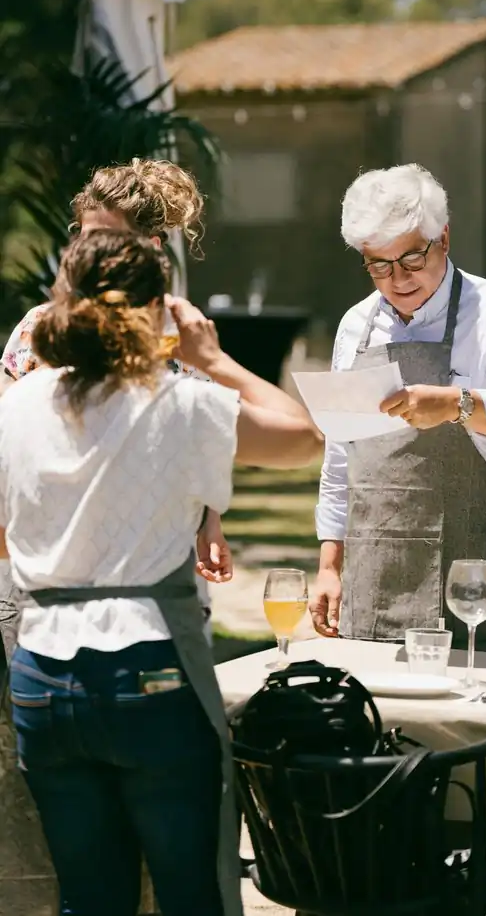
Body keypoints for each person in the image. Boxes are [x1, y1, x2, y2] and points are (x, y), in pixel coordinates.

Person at [0, 229, 323, 916]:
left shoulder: (18, 405)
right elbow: (304, 438)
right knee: (190, 891)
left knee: (90, 899)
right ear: (158, 309)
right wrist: (216, 358)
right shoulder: (180, 403)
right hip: (150, 667)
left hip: (41, 673)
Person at [310, 164, 486, 652]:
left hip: (474, 578)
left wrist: (457, 404)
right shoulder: (355, 326)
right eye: (378, 265)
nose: (397, 279)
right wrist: (328, 565)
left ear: (443, 237)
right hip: (374, 577)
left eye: (410, 258)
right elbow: (340, 458)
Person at [1, 159, 228, 633]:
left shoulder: (184, 335)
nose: (94, 253)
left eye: (110, 240)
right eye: (85, 238)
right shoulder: (38, 330)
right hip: (40, 575)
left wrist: (211, 522)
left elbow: (204, 445)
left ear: (151, 248)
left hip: (148, 577)